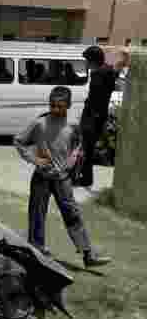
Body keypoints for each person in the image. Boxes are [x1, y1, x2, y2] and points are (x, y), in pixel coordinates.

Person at [14, 86, 111, 267]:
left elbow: (78, 145)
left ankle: (88, 254)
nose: (55, 110)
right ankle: (37, 250)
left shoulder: (73, 125)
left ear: (68, 105)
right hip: (41, 179)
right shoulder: (39, 124)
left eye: (60, 106)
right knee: (37, 215)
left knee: (72, 213)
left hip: (63, 179)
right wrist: (33, 159)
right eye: (52, 106)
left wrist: (75, 157)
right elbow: (19, 141)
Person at [75, 45, 118, 188]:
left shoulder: (98, 74)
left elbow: (95, 98)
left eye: (87, 60)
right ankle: (85, 176)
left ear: (93, 60)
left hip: (93, 116)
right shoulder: (108, 71)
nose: (86, 63)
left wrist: (87, 119)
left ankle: (86, 179)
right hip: (100, 116)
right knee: (88, 148)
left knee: (87, 148)